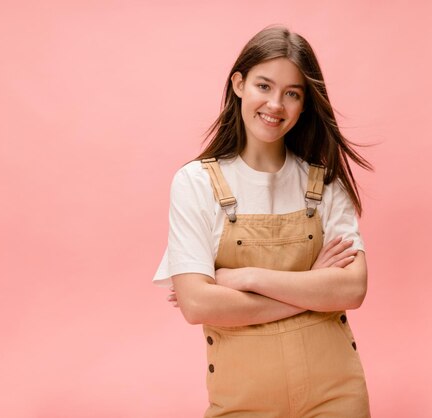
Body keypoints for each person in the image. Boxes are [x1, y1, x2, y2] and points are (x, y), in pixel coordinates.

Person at [153, 25, 373, 417]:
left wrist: (245, 278)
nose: (275, 104)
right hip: (242, 403)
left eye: (292, 93)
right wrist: (312, 292)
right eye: (264, 86)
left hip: (335, 397)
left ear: (304, 105)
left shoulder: (325, 182)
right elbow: (197, 303)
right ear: (239, 84)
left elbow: (352, 289)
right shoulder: (195, 184)